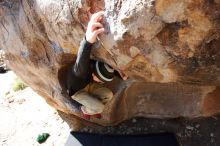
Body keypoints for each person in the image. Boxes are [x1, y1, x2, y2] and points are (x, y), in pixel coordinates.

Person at [66, 11, 127, 119]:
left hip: (88, 86)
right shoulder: (81, 71)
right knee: (100, 108)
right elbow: (82, 58)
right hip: (77, 92)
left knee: (108, 95)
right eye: (100, 80)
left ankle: (93, 108)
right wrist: (88, 40)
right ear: (94, 75)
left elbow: (106, 68)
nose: (101, 83)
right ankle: (85, 109)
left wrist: (119, 74)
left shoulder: (95, 66)